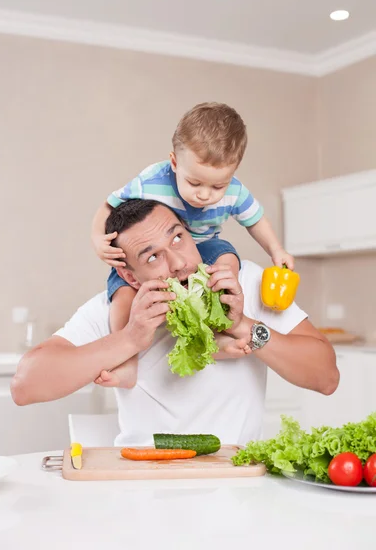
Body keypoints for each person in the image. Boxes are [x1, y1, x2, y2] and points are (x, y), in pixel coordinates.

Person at [11, 200, 339, 447]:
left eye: (178, 239)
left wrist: (244, 326)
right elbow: (25, 385)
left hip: (238, 484)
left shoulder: (244, 282)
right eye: (153, 257)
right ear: (129, 276)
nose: (179, 264)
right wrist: (129, 339)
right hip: (143, 486)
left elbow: (326, 377)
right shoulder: (115, 311)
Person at [91, 102, 295, 388]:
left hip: (205, 248)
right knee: (122, 296)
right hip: (158, 255)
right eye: (194, 182)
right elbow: (107, 206)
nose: (204, 195)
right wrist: (97, 239)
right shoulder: (151, 180)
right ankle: (126, 362)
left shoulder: (235, 190)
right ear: (174, 162)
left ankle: (217, 335)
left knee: (227, 264)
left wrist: (276, 250)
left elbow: (256, 220)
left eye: (217, 187)